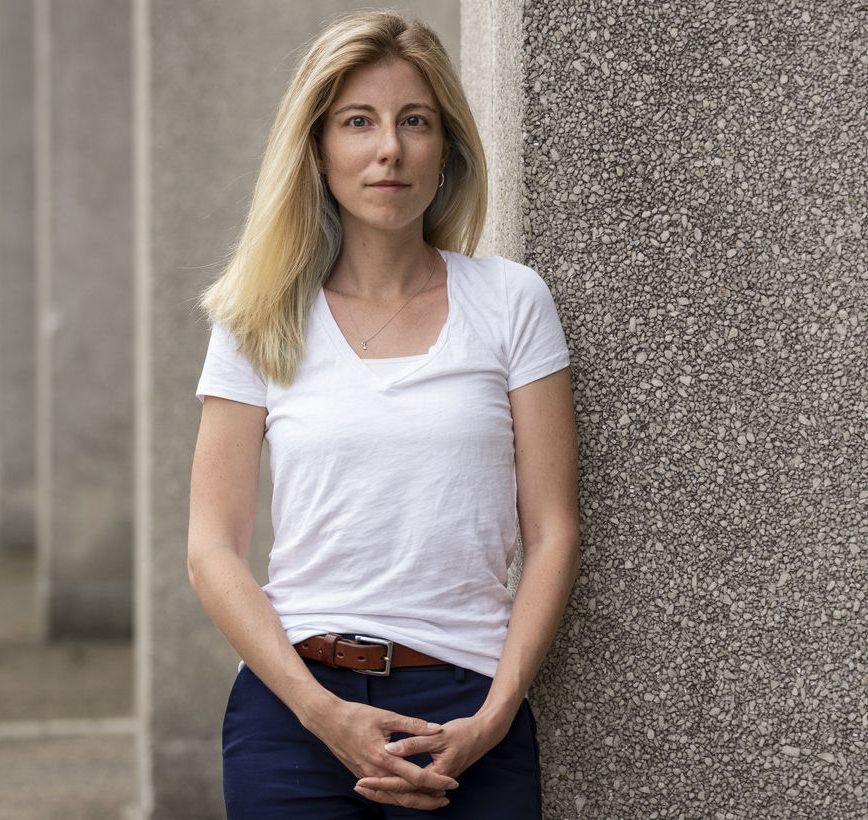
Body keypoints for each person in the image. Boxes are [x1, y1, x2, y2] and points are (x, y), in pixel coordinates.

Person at [186, 10, 578, 818]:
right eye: (358, 122)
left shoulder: (511, 302)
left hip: (469, 711)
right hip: (297, 712)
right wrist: (323, 715)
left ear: (447, 149)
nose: (388, 149)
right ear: (319, 148)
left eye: (415, 122)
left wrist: (494, 717)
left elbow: (552, 532)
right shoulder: (260, 315)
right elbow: (211, 551)